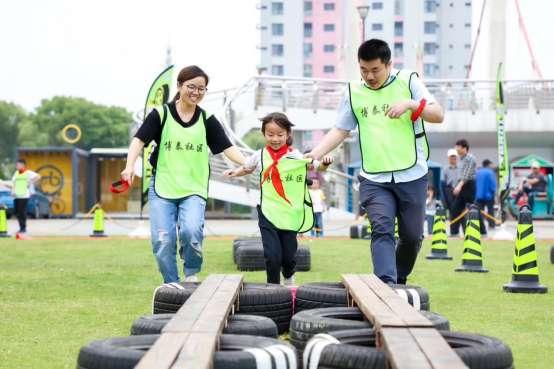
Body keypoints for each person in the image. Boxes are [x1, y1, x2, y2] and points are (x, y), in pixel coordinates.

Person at [305, 39, 444, 284]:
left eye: (375, 70)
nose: (369, 76)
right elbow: (340, 129)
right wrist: (314, 154)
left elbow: (438, 114)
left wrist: (412, 105)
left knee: (412, 237)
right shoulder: (353, 91)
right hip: (374, 178)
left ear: (389, 64)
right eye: (363, 70)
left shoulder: (408, 81)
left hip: (412, 174)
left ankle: (398, 278)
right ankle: (386, 285)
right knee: (382, 230)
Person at [121, 65, 246, 284]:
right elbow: (138, 140)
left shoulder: (207, 120)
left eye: (202, 88)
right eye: (191, 87)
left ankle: (191, 273)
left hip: (194, 188)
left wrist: (251, 163)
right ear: (179, 86)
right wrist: (129, 166)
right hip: (163, 187)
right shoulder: (161, 114)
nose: (196, 92)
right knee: (163, 240)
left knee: (191, 232)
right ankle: (171, 283)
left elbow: (227, 147)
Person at [224, 112, 333, 285]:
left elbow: (318, 166)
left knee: (288, 256)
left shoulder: (296, 155)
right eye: (270, 134)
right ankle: (273, 289)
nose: (275, 138)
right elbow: (247, 167)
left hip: (290, 213)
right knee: (272, 256)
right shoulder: (258, 155)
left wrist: (325, 162)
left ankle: (289, 275)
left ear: (288, 134)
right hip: (267, 212)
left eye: (280, 134)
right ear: (264, 134)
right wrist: (235, 172)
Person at [450, 139, 478, 236]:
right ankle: (454, 233)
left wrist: (459, 186)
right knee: (455, 209)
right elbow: (460, 175)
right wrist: (456, 186)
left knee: (472, 209)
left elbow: (467, 174)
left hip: (469, 185)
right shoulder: (460, 159)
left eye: (457, 146)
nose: (455, 149)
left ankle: (481, 232)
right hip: (461, 186)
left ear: (464, 147)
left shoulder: (470, 158)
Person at [11, 159, 41, 235]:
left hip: (24, 195)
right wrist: (12, 191)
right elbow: (13, 183)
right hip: (16, 195)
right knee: (17, 212)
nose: (16, 166)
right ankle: (21, 227)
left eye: (18, 165)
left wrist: (31, 182)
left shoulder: (28, 173)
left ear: (22, 165)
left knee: (22, 212)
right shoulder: (16, 173)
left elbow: (38, 176)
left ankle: (23, 229)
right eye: (16, 165)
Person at [475, 159, 497, 233]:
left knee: (480, 211)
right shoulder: (491, 172)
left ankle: (481, 226)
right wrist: (494, 193)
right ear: (488, 164)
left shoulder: (477, 172)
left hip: (478, 195)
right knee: (490, 211)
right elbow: (493, 185)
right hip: (489, 195)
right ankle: (491, 225)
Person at [442, 149, 460, 218]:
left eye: (454, 157)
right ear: (448, 158)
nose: (453, 159)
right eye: (451, 157)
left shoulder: (460, 168)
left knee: (460, 209)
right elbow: (443, 183)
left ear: (456, 158)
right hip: (449, 191)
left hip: (459, 190)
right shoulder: (445, 169)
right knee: (452, 210)